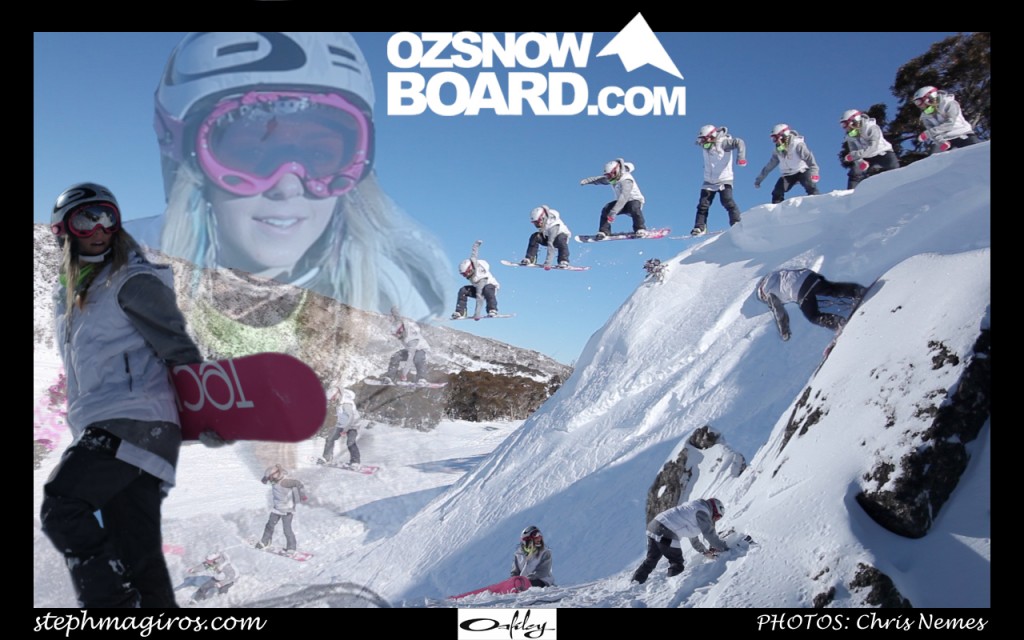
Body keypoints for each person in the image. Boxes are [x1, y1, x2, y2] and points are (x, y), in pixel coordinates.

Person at [129, 32, 452, 321]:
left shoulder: (399, 300)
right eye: (250, 153)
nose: (288, 185)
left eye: (321, 156)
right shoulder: (116, 272)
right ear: (185, 161)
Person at [40, 182, 205, 608]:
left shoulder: (131, 280)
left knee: (63, 505)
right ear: (63, 231)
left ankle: (111, 607)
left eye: (107, 217)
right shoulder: (74, 292)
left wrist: (207, 410)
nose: (99, 228)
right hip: (113, 423)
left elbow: (177, 347)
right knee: (136, 551)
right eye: (86, 219)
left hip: (134, 420)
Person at [631, 498, 727, 585]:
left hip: (654, 526)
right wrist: (726, 549)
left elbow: (694, 539)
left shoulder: (694, 508)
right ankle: (672, 588)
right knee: (677, 564)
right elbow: (709, 535)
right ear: (714, 509)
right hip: (666, 530)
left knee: (651, 559)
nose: (715, 520)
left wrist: (704, 552)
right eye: (717, 516)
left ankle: (636, 581)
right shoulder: (703, 512)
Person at [756, 268, 869, 341]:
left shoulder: (768, 292)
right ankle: (857, 291)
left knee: (813, 316)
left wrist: (784, 331)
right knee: (831, 289)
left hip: (799, 290)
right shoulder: (777, 275)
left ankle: (837, 322)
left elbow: (779, 312)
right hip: (810, 276)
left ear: (763, 294)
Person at [691, 124, 747, 236]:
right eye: (702, 140)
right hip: (709, 180)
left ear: (713, 136)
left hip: (724, 178)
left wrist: (741, 158)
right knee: (703, 205)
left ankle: (736, 223)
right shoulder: (704, 144)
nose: (704, 142)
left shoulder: (724, 143)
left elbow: (739, 142)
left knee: (727, 201)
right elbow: (698, 142)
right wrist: (700, 140)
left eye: (705, 139)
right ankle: (699, 227)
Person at [579, 158, 648, 240]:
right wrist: (587, 181)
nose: (609, 178)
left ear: (616, 171)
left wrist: (614, 212)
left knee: (634, 207)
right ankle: (604, 231)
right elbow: (600, 180)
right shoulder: (613, 178)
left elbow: (624, 197)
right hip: (621, 203)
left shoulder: (626, 180)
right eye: (608, 176)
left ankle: (640, 229)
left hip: (634, 200)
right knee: (606, 209)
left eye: (610, 175)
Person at [754, 124, 821, 204]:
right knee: (777, 192)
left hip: (802, 171)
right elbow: (769, 166)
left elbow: (810, 160)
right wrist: (759, 179)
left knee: (810, 185)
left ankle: (817, 203)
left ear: (783, 135)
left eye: (775, 137)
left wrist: (814, 173)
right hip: (788, 175)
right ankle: (777, 208)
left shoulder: (797, 145)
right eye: (773, 138)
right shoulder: (778, 150)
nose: (774, 141)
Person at [838, 110, 900, 189]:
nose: (845, 128)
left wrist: (855, 155)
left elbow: (873, 147)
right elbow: (854, 151)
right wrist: (860, 162)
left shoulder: (871, 127)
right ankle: (851, 193)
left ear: (854, 120)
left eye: (845, 124)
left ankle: (899, 187)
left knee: (894, 168)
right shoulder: (851, 136)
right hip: (867, 157)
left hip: (883, 153)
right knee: (855, 173)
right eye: (843, 125)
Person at [257, 464, 309, 553]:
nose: (270, 480)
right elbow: (265, 479)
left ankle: (291, 548)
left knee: (287, 530)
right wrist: (265, 479)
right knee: (269, 525)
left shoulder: (285, 482)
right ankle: (265, 542)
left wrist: (302, 495)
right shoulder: (274, 480)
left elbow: (298, 484)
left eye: (271, 478)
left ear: (277, 474)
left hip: (287, 509)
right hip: (277, 508)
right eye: (270, 478)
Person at [912, 86, 981, 154]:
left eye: (919, 102)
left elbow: (950, 123)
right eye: (916, 103)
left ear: (929, 97)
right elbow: (932, 132)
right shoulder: (925, 116)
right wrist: (940, 142)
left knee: (976, 154)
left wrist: (928, 133)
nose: (920, 105)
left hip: (962, 134)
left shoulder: (949, 103)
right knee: (935, 158)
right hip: (945, 140)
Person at [452, 240, 501, 319]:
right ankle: (460, 312)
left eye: (465, 274)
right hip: (478, 288)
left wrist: (477, 314)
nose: (465, 276)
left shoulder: (480, 275)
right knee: (463, 290)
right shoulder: (473, 264)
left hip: (490, 288)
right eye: (463, 275)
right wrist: (476, 245)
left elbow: (479, 296)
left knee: (487, 288)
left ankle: (492, 309)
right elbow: (474, 254)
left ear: (470, 269)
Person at [384, 308, 431, 383]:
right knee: (395, 356)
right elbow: (398, 319)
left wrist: (404, 374)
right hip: (411, 349)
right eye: (395, 334)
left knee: (418, 358)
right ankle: (389, 378)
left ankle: (422, 379)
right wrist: (394, 310)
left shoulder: (410, 339)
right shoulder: (402, 327)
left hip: (422, 349)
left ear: (401, 331)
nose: (397, 336)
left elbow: (410, 359)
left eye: (398, 334)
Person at [318, 387, 362, 466]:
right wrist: (338, 426)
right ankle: (327, 458)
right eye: (331, 399)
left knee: (350, 442)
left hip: (353, 425)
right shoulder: (339, 401)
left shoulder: (346, 402)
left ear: (337, 394)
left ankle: (355, 461)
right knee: (330, 439)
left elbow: (350, 417)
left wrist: (345, 430)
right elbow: (342, 416)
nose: (332, 400)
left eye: (333, 398)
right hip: (342, 425)